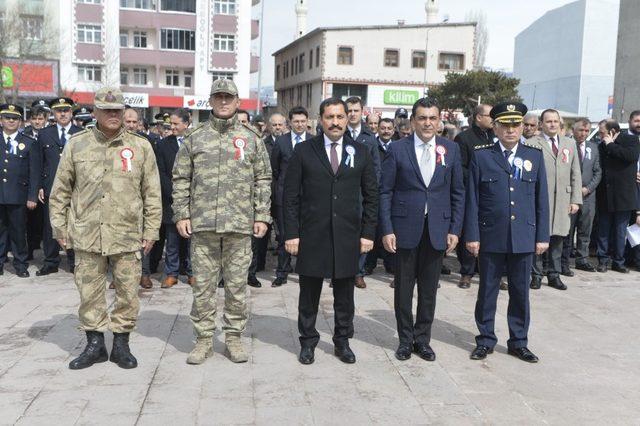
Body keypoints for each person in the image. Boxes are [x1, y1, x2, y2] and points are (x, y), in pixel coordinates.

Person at [49, 87, 162, 370]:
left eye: (117, 110)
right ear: (95, 112)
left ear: (124, 112)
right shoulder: (77, 144)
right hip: (87, 233)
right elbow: (61, 190)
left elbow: (152, 193)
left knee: (127, 291)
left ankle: (121, 345)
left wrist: (151, 231)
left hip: (127, 234)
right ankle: (95, 344)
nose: (113, 115)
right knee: (89, 291)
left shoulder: (140, 146)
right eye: (107, 110)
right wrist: (59, 229)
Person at [172, 79, 271, 365]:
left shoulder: (252, 138)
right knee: (202, 286)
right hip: (203, 226)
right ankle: (203, 340)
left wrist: (262, 215)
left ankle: (233, 338)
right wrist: (182, 214)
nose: (224, 101)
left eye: (229, 97)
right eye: (218, 97)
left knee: (237, 286)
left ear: (238, 101)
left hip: (240, 226)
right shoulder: (195, 137)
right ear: (211, 101)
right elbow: (180, 178)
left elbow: (263, 178)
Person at [284, 97, 378, 365]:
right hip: (312, 234)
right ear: (320, 120)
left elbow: (371, 195)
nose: (335, 122)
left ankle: (342, 340)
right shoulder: (304, 152)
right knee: (309, 293)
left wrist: (368, 233)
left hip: (348, 236)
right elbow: (290, 197)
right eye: (330, 117)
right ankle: (308, 341)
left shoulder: (360, 151)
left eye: (340, 117)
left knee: (345, 295)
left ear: (347, 119)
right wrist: (291, 234)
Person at [379, 98, 464, 362]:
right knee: (403, 289)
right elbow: (385, 192)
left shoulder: (450, 150)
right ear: (413, 121)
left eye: (432, 118)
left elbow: (458, 192)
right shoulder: (397, 149)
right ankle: (405, 340)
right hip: (405, 229)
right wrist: (387, 228)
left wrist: (455, 229)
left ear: (439, 122)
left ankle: (423, 339)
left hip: (437, 229)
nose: (427, 123)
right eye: (422, 118)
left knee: (429, 290)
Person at [464, 102, 550, 363]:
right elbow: (473, 200)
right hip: (491, 236)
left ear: (523, 127)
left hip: (523, 236)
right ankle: (486, 339)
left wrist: (542, 236)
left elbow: (541, 200)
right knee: (487, 291)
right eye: (505, 125)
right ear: (496, 127)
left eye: (515, 125)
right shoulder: (482, 156)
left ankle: (518, 341)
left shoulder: (534, 156)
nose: (511, 130)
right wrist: (472, 235)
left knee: (520, 292)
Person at [526, 109, 581, 290]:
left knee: (558, 238)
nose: (552, 124)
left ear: (560, 123)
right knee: (538, 238)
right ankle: (536, 274)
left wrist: (575, 200)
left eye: (555, 121)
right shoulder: (532, 143)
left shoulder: (569, 143)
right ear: (541, 124)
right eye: (548, 121)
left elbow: (575, 173)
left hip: (563, 200)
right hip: (540, 198)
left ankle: (554, 274)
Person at [36, 97, 83, 276]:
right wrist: (39, 185)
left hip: (75, 187)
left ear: (71, 112)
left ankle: (73, 261)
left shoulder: (80, 133)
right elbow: (39, 163)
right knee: (50, 226)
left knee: (74, 224)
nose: (62, 114)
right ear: (53, 114)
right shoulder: (45, 134)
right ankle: (50, 261)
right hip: (51, 186)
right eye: (59, 111)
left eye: (66, 110)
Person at [269, 107, 311, 288]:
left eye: (303, 121)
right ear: (290, 123)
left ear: (307, 121)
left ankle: (305, 272)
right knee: (285, 235)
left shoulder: (314, 141)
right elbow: (275, 169)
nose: (300, 124)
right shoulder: (281, 142)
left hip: (309, 197)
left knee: (307, 235)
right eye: (296, 121)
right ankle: (282, 272)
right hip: (285, 197)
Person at [453, 104, 494, 289]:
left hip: (492, 194)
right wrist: (478, 177)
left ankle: (492, 273)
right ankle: (467, 272)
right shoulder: (464, 138)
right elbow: (459, 167)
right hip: (471, 192)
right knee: (470, 232)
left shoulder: (496, 137)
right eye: (489, 115)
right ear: (478, 117)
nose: (493, 119)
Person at [0, 104, 41, 277]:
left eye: (15, 118)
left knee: (18, 232)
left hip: (19, 195)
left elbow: (34, 172)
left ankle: (20, 264)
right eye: (7, 117)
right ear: (1, 120)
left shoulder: (29, 142)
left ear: (20, 121)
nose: (11, 121)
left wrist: (32, 196)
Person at [595, 116, 640, 272]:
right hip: (605, 194)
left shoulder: (631, 140)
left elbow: (630, 156)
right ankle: (602, 260)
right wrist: (607, 143)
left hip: (624, 195)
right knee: (603, 230)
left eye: (602, 133)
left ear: (612, 131)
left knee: (620, 231)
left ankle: (618, 261)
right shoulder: (602, 145)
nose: (601, 137)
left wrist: (611, 145)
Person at [345, 96, 381, 289]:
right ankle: (342, 271)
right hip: (342, 193)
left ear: (362, 112)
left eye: (355, 111)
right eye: (349, 111)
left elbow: (376, 167)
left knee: (363, 232)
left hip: (363, 194)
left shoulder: (369, 137)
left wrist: (372, 190)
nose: (352, 114)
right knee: (343, 232)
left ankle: (358, 272)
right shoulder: (339, 134)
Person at [158, 108, 194, 289]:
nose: (171, 127)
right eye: (170, 124)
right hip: (172, 201)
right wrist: (174, 194)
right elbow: (162, 173)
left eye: (175, 124)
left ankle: (191, 272)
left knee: (192, 242)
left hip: (194, 201)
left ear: (186, 124)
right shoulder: (164, 145)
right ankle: (171, 273)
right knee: (172, 241)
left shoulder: (196, 142)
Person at [561, 119, 601, 273]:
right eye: (580, 130)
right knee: (568, 231)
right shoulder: (566, 145)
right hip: (570, 196)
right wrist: (575, 189)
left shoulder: (593, 148)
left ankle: (582, 259)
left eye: (586, 131)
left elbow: (598, 171)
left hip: (588, 197)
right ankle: (564, 262)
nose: (583, 133)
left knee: (585, 230)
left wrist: (588, 188)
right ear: (573, 129)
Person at [364, 117, 395, 281]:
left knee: (389, 228)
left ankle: (390, 263)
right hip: (374, 192)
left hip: (391, 194)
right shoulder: (371, 145)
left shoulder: (398, 147)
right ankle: (370, 263)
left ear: (393, 130)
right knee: (373, 228)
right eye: (383, 128)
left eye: (389, 128)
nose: (386, 131)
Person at [22, 101, 49, 260]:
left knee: (44, 220)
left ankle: (48, 250)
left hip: (45, 182)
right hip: (29, 183)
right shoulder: (24, 135)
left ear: (45, 119)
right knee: (30, 220)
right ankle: (30, 249)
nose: (37, 122)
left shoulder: (49, 134)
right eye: (34, 119)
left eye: (40, 119)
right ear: (29, 120)